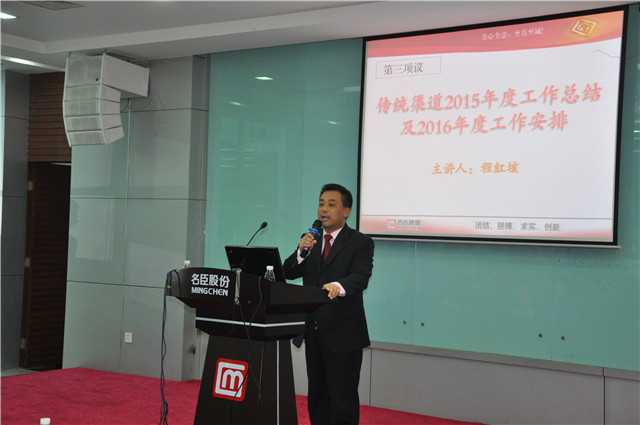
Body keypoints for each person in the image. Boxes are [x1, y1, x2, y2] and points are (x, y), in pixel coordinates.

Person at [283, 183, 374, 425]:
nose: (324, 209)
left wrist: (338, 286)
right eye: (321, 204)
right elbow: (288, 271)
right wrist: (301, 252)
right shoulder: (311, 241)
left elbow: (361, 277)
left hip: (344, 334)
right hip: (314, 331)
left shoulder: (360, 242)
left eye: (331, 204)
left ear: (346, 211)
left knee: (343, 399)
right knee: (318, 396)